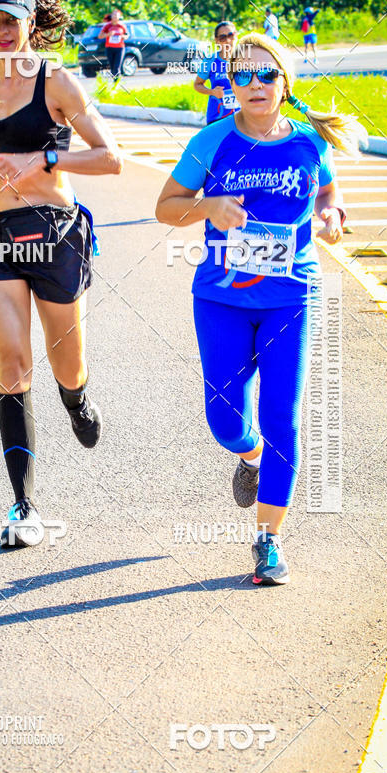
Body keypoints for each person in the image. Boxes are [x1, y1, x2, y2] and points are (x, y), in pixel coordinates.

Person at [156, 32, 364, 585]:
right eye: (243, 75)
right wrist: (210, 206)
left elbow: (328, 195)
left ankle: (269, 541)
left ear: (284, 82)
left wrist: (334, 217)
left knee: (281, 417)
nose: (254, 85)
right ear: (229, 82)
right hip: (221, 298)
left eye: (266, 75)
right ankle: (248, 458)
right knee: (225, 421)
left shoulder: (308, 144)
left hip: (291, 297)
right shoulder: (212, 141)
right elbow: (165, 207)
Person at [0, 0, 121, 548]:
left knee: (66, 364)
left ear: (31, 25)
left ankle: (77, 399)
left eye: (9, 21)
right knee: (12, 363)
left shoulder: (58, 82)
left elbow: (110, 157)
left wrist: (47, 156)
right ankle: (24, 507)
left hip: (54, 237)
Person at [194, 21, 239, 125]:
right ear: (217, 41)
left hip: (242, 117)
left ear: (236, 36)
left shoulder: (246, 59)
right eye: (223, 38)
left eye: (231, 35)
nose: (228, 41)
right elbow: (197, 85)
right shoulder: (210, 60)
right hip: (218, 116)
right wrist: (212, 92)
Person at [98, 8, 129, 82]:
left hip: (119, 48)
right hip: (110, 48)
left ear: (119, 17)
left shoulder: (122, 26)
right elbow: (100, 36)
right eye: (113, 15)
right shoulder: (107, 26)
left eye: (116, 15)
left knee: (117, 67)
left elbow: (127, 35)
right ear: (111, 16)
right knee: (112, 67)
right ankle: (114, 81)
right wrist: (108, 34)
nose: (115, 17)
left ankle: (117, 82)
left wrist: (123, 36)